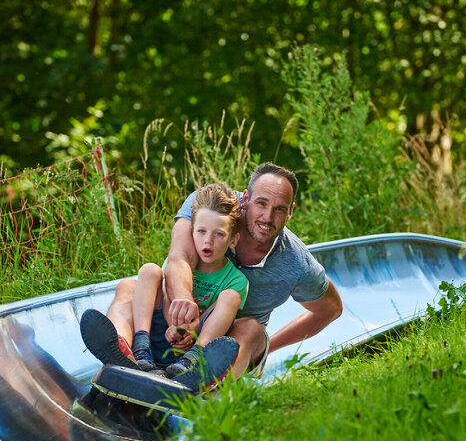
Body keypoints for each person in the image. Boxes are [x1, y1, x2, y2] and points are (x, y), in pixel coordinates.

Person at [106, 162, 343, 380]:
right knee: (128, 287)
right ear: (246, 199)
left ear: (290, 212)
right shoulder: (210, 208)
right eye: (261, 203)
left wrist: (269, 348)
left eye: (279, 209)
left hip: (226, 341)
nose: (267, 217)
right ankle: (123, 355)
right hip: (171, 322)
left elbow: (331, 309)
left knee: (250, 328)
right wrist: (184, 307)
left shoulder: (296, 262)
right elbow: (180, 257)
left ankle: (204, 381)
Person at [123, 182, 249, 376]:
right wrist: (176, 327)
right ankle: (140, 348)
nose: (208, 240)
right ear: (191, 232)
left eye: (219, 234)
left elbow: (216, 319)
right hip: (160, 333)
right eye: (202, 231)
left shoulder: (236, 280)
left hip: (192, 344)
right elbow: (167, 297)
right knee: (149, 270)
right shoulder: (180, 266)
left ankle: (195, 358)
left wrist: (188, 332)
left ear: (233, 240)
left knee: (231, 296)